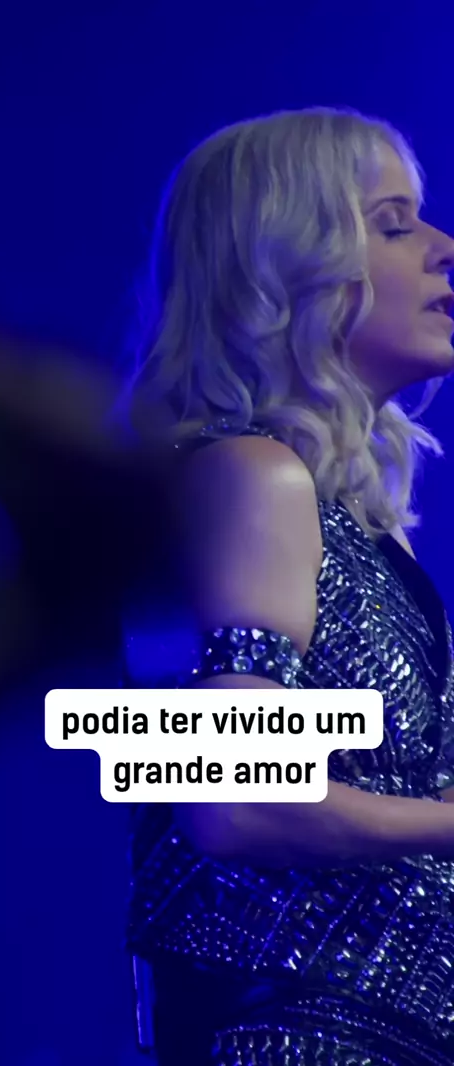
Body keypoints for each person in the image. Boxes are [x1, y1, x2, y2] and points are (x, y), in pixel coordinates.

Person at [122, 107, 454, 1065]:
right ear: (286, 262)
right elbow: (232, 797)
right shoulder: (248, 476)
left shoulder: (332, 516)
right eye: (393, 224)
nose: (443, 248)